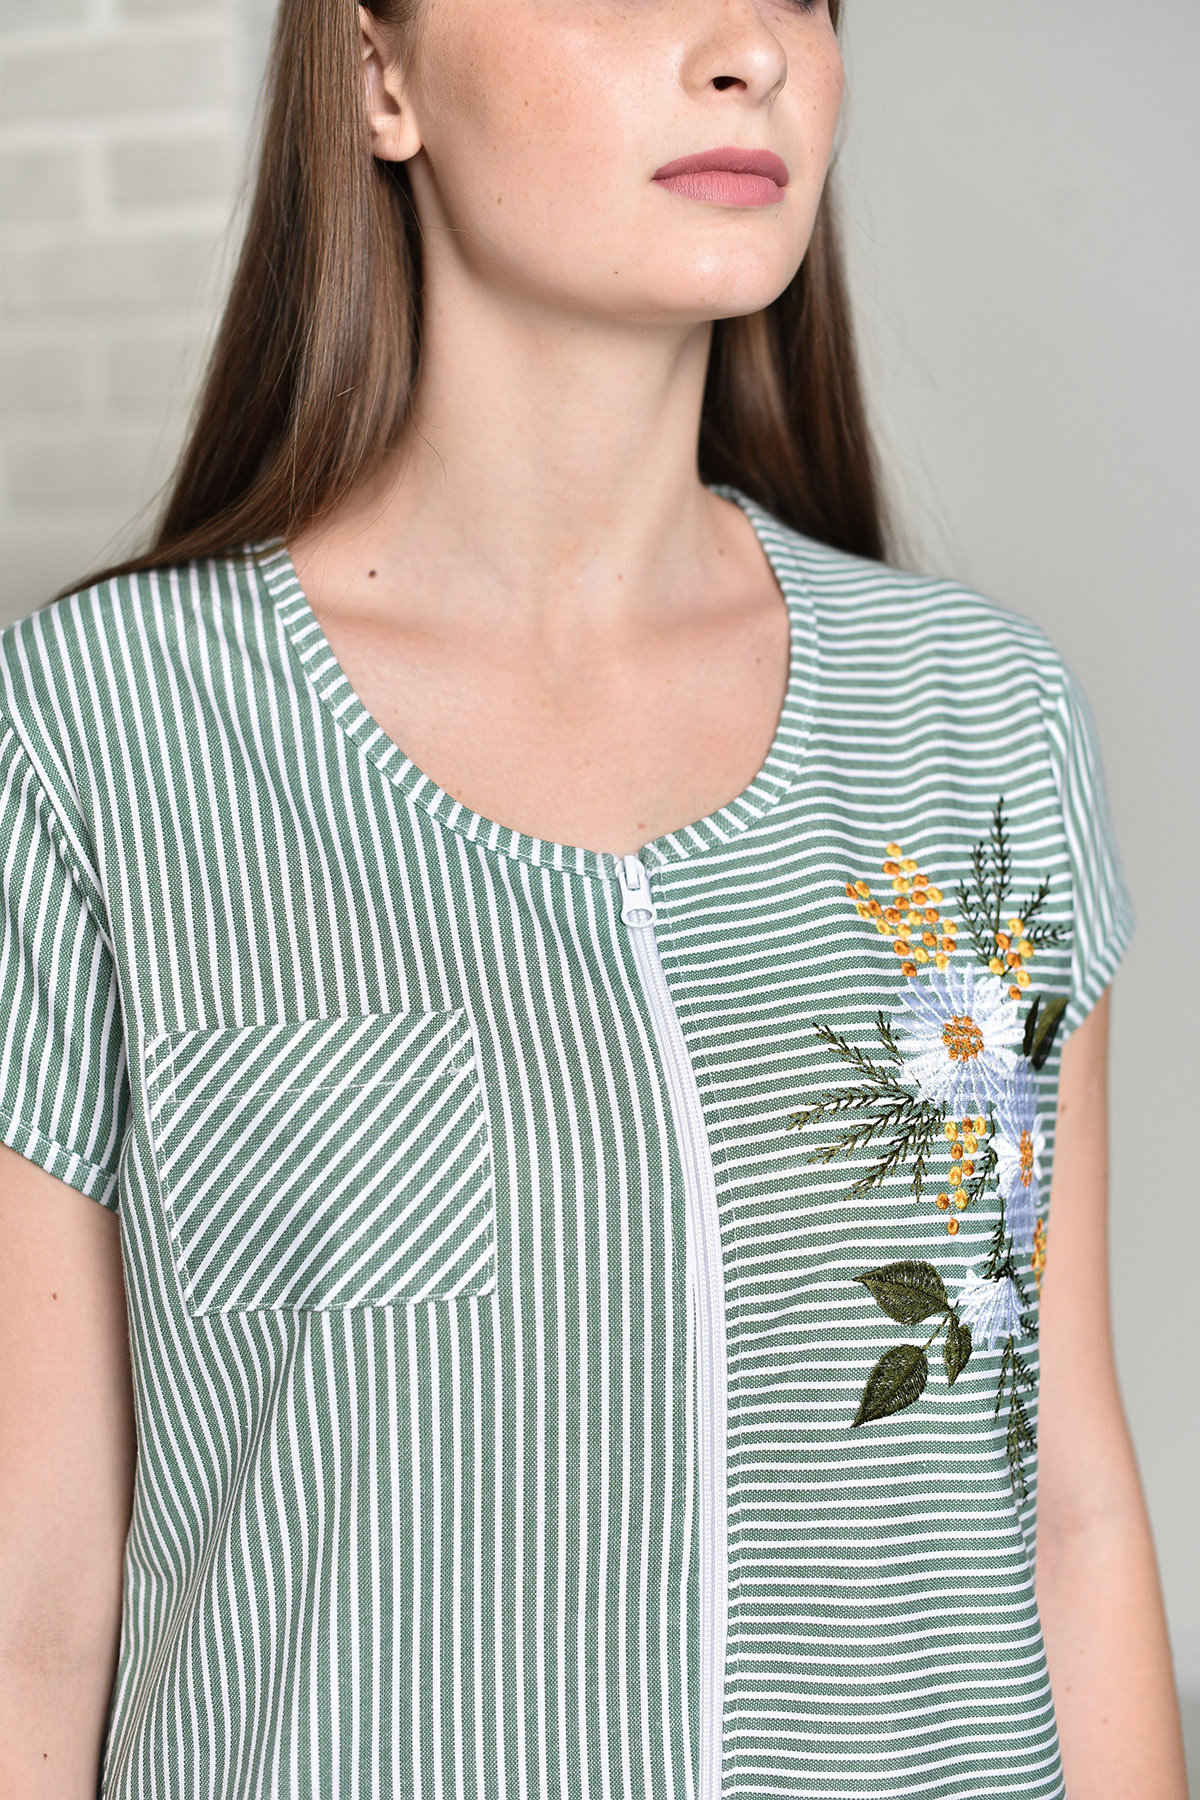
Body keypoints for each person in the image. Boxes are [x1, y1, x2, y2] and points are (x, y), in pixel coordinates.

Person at [0, 0, 1188, 1794]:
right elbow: (36, 1600)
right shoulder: (99, 739)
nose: (749, 48)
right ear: (379, 74)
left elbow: (1067, 1508)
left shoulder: (982, 727)